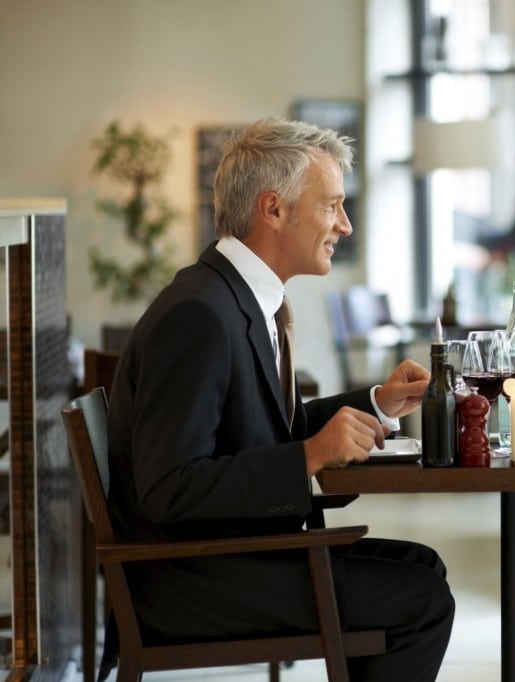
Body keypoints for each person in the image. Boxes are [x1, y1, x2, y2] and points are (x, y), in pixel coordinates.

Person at [105, 117, 454, 681]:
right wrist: (311, 456)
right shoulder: (199, 314)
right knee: (419, 600)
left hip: (226, 555)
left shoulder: (232, 298)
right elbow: (169, 488)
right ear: (273, 210)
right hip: (190, 577)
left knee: (424, 569)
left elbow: (265, 427)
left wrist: (378, 404)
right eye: (332, 205)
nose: (344, 224)